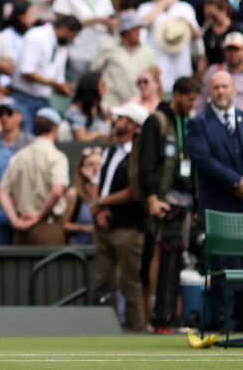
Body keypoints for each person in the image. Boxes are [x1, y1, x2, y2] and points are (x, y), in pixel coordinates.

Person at [137, 76, 201, 332]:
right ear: (176, 95)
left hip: (186, 200)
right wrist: (152, 198)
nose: (192, 105)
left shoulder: (190, 122)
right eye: (189, 99)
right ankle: (157, 317)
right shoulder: (157, 121)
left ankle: (170, 317)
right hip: (163, 199)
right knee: (160, 256)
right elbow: (147, 162)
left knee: (179, 256)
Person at [187, 70, 243, 332]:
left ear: (234, 89)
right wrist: (236, 182)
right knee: (222, 269)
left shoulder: (242, 119)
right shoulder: (199, 123)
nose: (221, 91)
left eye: (225, 86)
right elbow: (203, 160)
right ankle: (225, 325)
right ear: (210, 92)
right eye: (216, 87)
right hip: (218, 208)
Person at [90, 101, 150, 333]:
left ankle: (136, 332)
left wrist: (100, 203)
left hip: (128, 226)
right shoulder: (110, 149)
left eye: (121, 118)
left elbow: (133, 192)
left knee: (129, 283)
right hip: (103, 224)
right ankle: (110, 332)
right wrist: (97, 211)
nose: (115, 121)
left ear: (133, 124)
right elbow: (97, 183)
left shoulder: (139, 154)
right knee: (104, 283)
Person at [0, 108, 69, 246]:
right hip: (48, 228)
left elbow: (2, 192)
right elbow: (57, 190)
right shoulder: (56, 156)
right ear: (54, 128)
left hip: (21, 229)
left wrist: (14, 220)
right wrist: (38, 217)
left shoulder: (19, 156)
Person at [10, 15, 82, 133]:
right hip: (22, 97)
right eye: (73, 36)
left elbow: (57, 82)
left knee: (50, 133)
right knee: (26, 136)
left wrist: (64, 89)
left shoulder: (62, 47)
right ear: (64, 29)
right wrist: (54, 84)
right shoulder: (36, 36)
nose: (72, 40)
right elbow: (26, 71)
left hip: (43, 99)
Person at [52, 0, 117, 85]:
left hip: (100, 53)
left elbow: (112, 24)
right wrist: (95, 20)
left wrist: (112, 25)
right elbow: (62, 23)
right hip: (77, 52)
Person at [0, 97, 34, 245]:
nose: (4, 118)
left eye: (9, 113)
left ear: (19, 116)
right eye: (1, 113)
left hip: (24, 214)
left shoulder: (31, 144)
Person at [138, 0, 201, 95]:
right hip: (157, 63)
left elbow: (196, 36)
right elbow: (143, 23)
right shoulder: (146, 7)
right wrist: (161, 5)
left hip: (180, 64)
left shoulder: (184, 8)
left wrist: (186, 23)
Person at [91, 10, 158, 109]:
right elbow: (94, 72)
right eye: (135, 28)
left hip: (139, 107)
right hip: (112, 105)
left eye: (140, 28)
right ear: (125, 30)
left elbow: (156, 78)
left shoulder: (148, 51)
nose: (139, 31)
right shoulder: (108, 46)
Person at [61, 148, 101, 245]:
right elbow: (63, 224)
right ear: (81, 169)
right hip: (80, 247)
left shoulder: (106, 193)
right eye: (91, 164)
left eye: (99, 164)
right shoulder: (73, 194)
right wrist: (84, 228)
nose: (96, 168)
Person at [197, 31, 243, 113]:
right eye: (229, 49)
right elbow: (203, 98)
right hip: (218, 119)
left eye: (236, 49)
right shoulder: (214, 70)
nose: (232, 53)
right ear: (224, 51)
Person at [63, 72, 111, 142]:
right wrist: (100, 132)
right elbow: (82, 139)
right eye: (102, 85)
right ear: (93, 87)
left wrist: (108, 114)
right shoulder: (75, 110)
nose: (105, 88)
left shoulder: (99, 107)